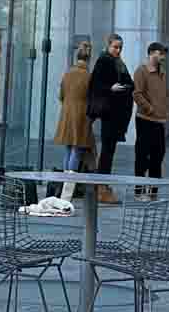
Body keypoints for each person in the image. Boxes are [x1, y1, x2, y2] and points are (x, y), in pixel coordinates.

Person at [88, 33, 134, 202]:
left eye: (120, 47)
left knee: (109, 150)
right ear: (108, 46)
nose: (118, 50)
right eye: (115, 47)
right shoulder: (104, 61)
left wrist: (123, 87)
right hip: (109, 112)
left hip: (116, 113)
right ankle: (102, 187)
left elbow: (130, 83)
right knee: (107, 151)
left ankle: (102, 185)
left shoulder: (119, 63)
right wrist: (110, 88)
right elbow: (95, 84)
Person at [52, 42, 95, 198]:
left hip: (67, 113)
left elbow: (61, 96)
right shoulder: (89, 76)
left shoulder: (67, 73)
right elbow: (92, 98)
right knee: (77, 150)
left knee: (68, 149)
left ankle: (64, 184)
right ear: (88, 59)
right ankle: (69, 189)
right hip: (81, 115)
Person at [132, 42, 169, 192]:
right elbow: (137, 94)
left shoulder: (163, 73)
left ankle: (154, 191)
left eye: (163, 54)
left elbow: (165, 94)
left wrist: (166, 110)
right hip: (145, 120)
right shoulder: (141, 71)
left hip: (159, 121)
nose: (163, 57)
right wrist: (150, 109)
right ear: (152, 53)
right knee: (142, 156)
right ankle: (139, 190)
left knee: (158, 155)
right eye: (160, 54)